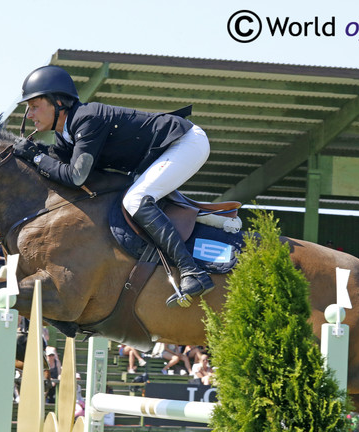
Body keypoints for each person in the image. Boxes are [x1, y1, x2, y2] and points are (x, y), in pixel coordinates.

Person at [13, 65, 213, 308]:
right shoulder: (65, 135)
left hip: (185, 143)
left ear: (58, 103)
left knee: (135, 200)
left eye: (34, 106)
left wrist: (35, 157)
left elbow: (76, 177)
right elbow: (58, 168)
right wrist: (34, 155)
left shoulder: (87, 118)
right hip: (161, 153)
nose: (30, 114)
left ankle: (192, 272)